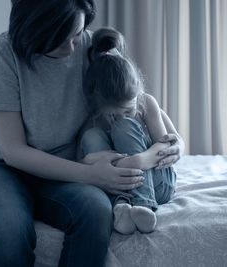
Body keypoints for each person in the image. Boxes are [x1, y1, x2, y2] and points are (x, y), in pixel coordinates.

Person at [0, 0, 184, 266]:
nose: (72, 46)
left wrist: (175, 139)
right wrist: (90, 174)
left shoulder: (93, 47)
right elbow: (14, 152)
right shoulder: (4, 52)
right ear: (33, 30)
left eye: (76, 34)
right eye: (60, 39)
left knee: (97, 211)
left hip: (64, 170)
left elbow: (135, 98)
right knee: (11, 229)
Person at [79, 28, 185, 235]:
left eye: (128, 110)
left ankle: (143, 205)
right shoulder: (95, 118)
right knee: (91, 136)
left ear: (138, 91)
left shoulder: (146, 103)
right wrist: (94, 161)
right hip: (116, 185)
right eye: (112, 115)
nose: (121, 116)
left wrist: (135, 161)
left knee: (125, 127)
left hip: (157, 182)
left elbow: (164, 145)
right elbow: (80, 161)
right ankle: (122, 209)